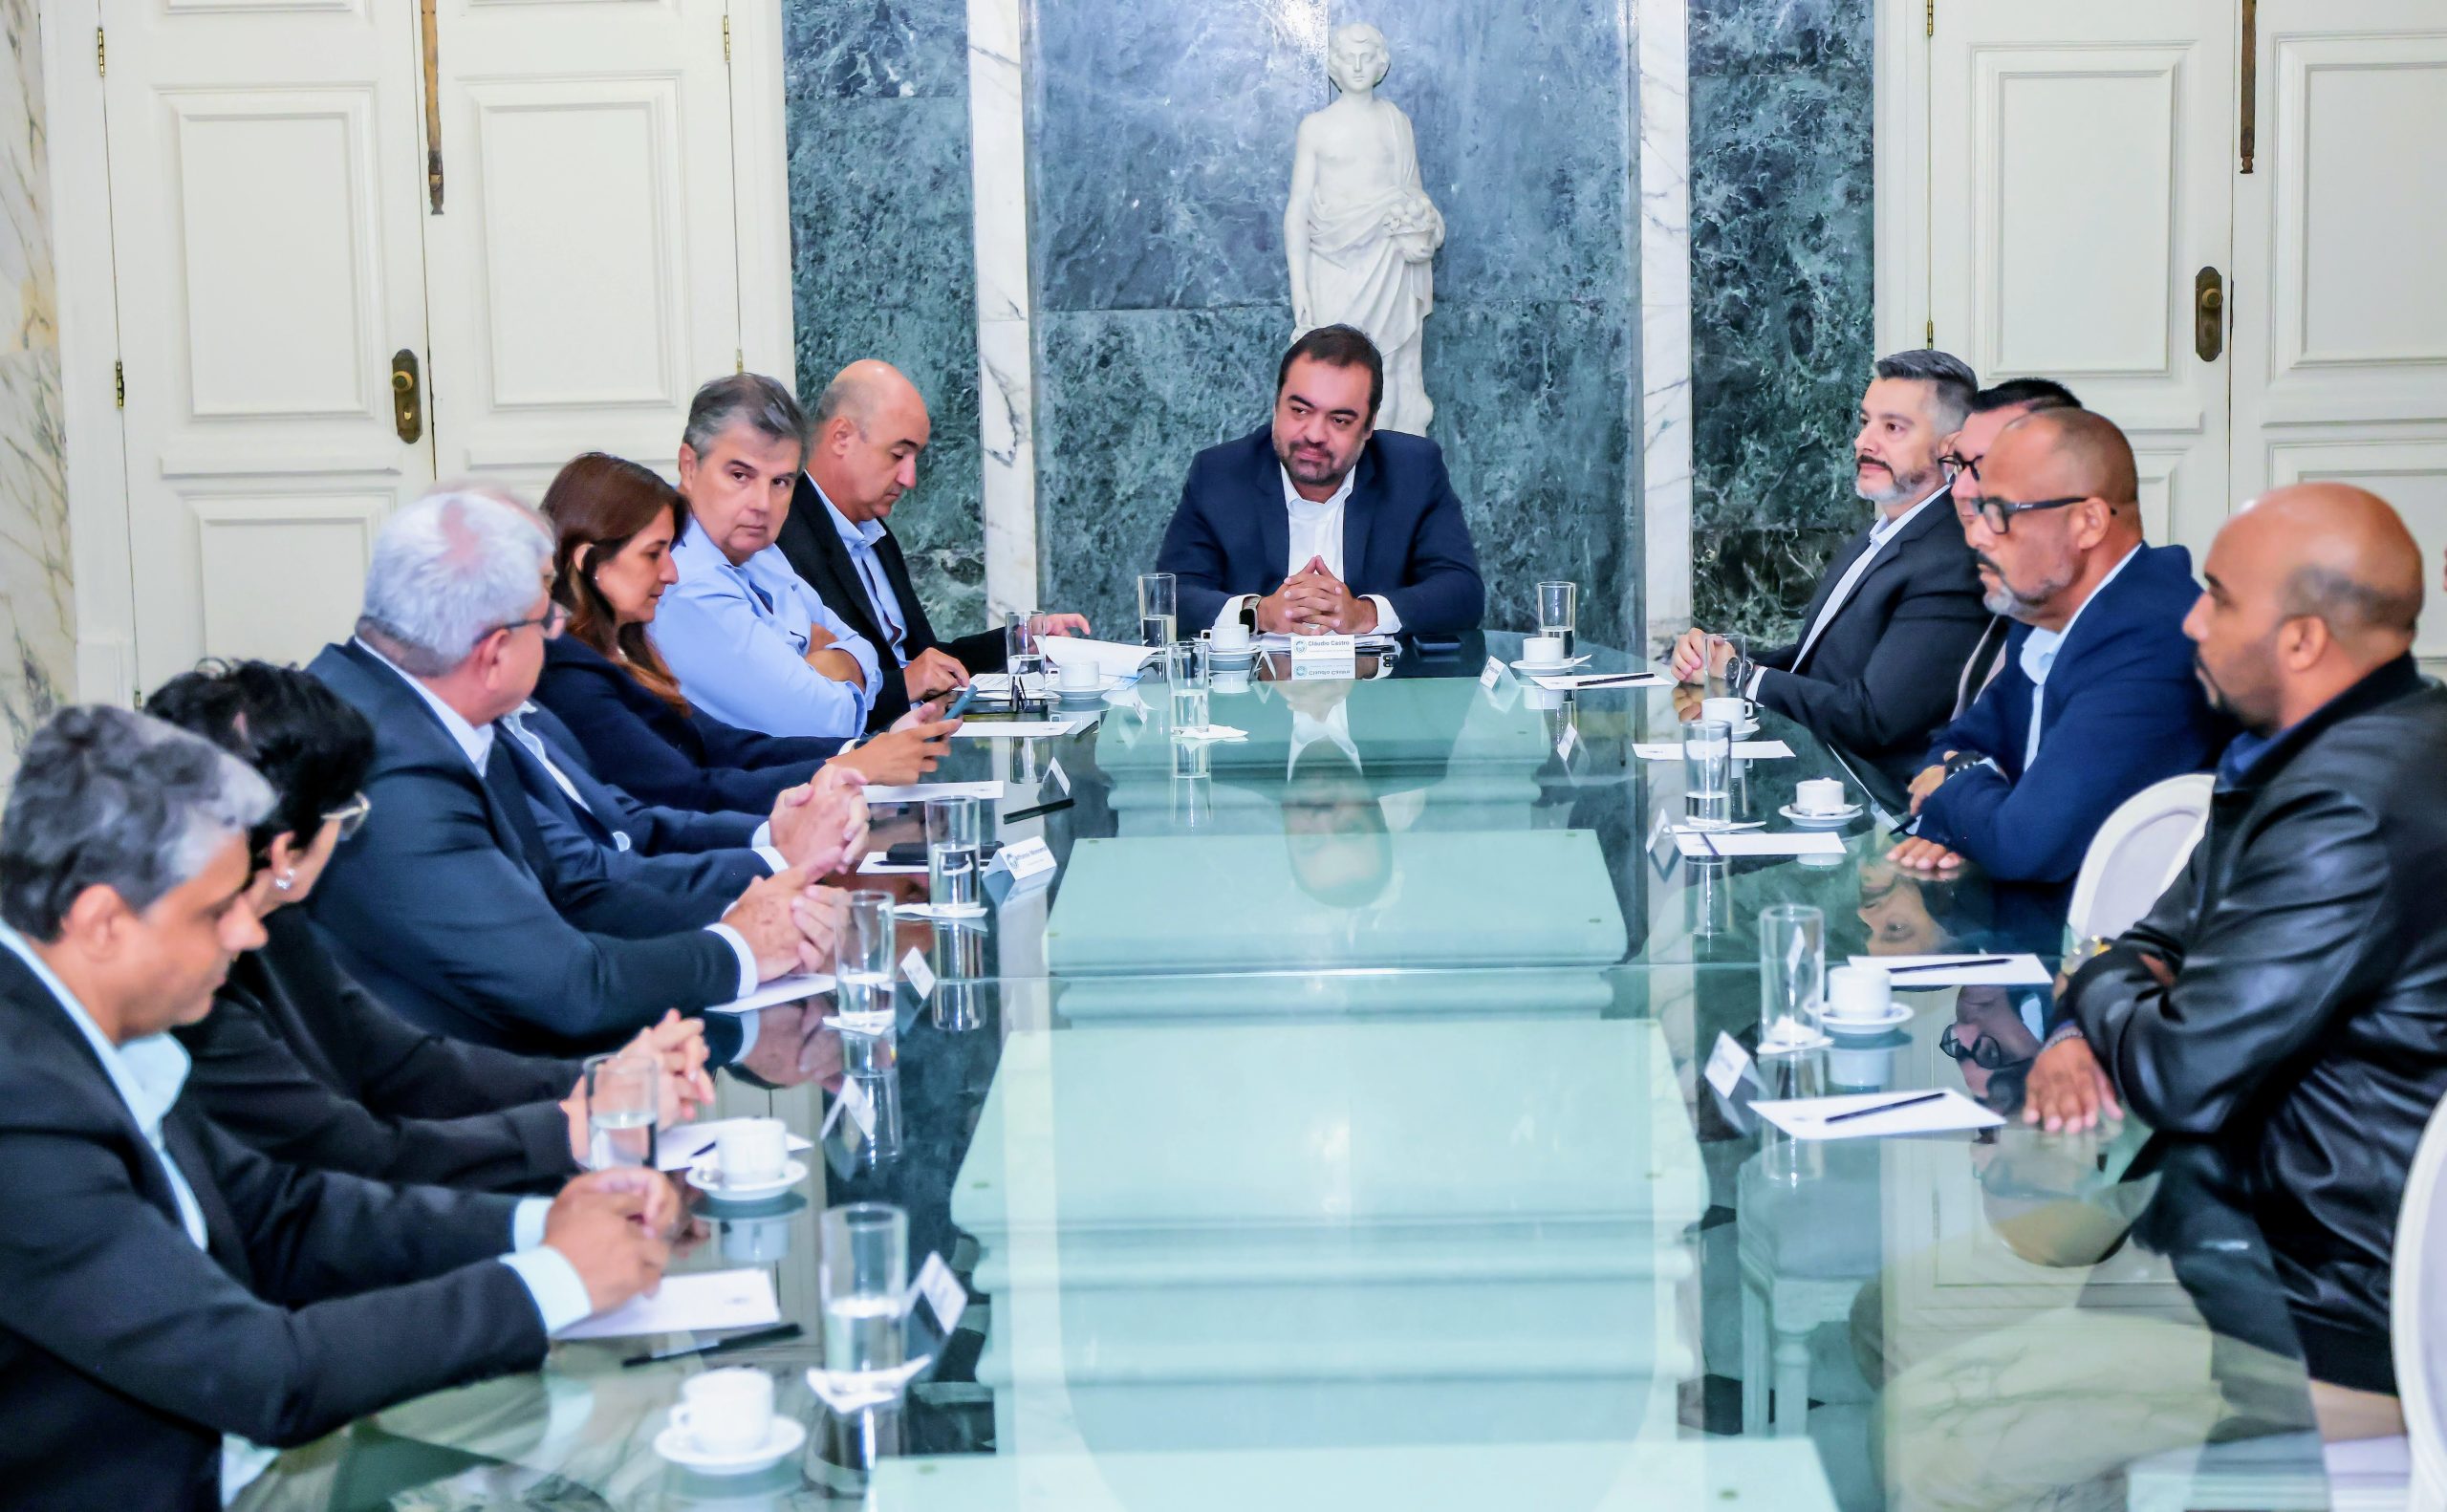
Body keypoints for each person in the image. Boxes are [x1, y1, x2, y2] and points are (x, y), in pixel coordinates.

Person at [0, 704, 678, 1510]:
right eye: (216, 911)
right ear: (103, 923)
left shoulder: (74, 1028)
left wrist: (540, 1225)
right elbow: (265, 1375)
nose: (249, 932)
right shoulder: (21, 1107)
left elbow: (279, 1215)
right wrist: (553, 1280)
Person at [2026, 482, 2447, 1419]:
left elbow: (2178, 1073)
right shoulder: (2306, 750)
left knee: (1927, 1441)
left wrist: (2091, 977)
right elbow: (2157, 939)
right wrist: (2118, 986)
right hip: (2234, 1227)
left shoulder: (2346, 806)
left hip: (2319, 1307)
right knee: (1891, 1319)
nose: (2189, 620)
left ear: (2300, 641)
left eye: (2217, 597)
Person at [307, 488, 844, 1061]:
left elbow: (570, 880)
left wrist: (761, 907)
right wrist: (741, 948)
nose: (559, 624)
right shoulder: (393, 766)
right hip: (458, 1087)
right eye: (544, 611)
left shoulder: (415, 705)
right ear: (493, 654)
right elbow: (568, 990)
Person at [146, 660, 716, 1190]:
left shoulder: (279, 922)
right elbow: (354, 1151)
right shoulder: (185, 985)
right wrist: (576, 1124)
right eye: (347, 816)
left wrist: (605, 1082)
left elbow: (409, 1065)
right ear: (285, 853)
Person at [1892, 410, 2224, 899]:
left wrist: (1958, 790)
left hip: (2107, 938)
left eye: (2001, 512)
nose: (1977, 535)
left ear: (2088, 522)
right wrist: (1973, 795)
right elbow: (1956, 742)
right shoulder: (2045, 613)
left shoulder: (2150, 642)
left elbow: (2022, 846)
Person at [535, 451, 959, 810]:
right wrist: (855, 766)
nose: (671, 573)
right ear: (589, 561)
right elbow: (691, 793)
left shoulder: (627, 653)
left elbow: (728, 746)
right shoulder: (572, 679)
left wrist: (868, 749)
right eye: (653, 554)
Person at [1671, 350, 1991, 793]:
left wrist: (1741, 674)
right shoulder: (1884, 532)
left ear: (1949, 447)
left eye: (1893, 428)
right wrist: (1717, 661)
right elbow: (1821, 662)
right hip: (1819, 775)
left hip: (1875, 802)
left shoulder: (1950, 559)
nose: (1864, 442)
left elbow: (1874, 719)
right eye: (1865, 422)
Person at [773, 362, 1091, 727]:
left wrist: (1016, 642)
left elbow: (925, 661)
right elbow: (798, 701)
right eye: (898, 455)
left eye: (915, 458)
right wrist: (904, 686)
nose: (910, 478)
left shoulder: (875, 533)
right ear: (841, 436)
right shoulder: (780, 535)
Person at [1155, 324, 1484, 638]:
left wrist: (1364, 614)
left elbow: (1462, 592)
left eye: (1339, 420)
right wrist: (1259, 613)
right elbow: (1173, 598)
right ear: (1276, 405)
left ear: (1369, 426)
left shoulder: (1412, 471)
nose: (1314, 434)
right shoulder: (1220, 474)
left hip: (1376, 678)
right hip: (1258, 678)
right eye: (1300, 411)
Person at [651, 374, 887, 738]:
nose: (762, 504)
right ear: (689, 466)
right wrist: (828, 664)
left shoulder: (757, 551)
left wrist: (807, 670)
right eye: (740, 475)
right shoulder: (684, 581)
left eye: (780, 482)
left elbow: (867, 654)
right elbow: (816, 720)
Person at [1940, 378, 2084, 718]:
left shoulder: (2121, 627)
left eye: (1987, 467)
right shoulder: (2022, 584)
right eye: (1959, 465)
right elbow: (1972, 732)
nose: (1959, 489)